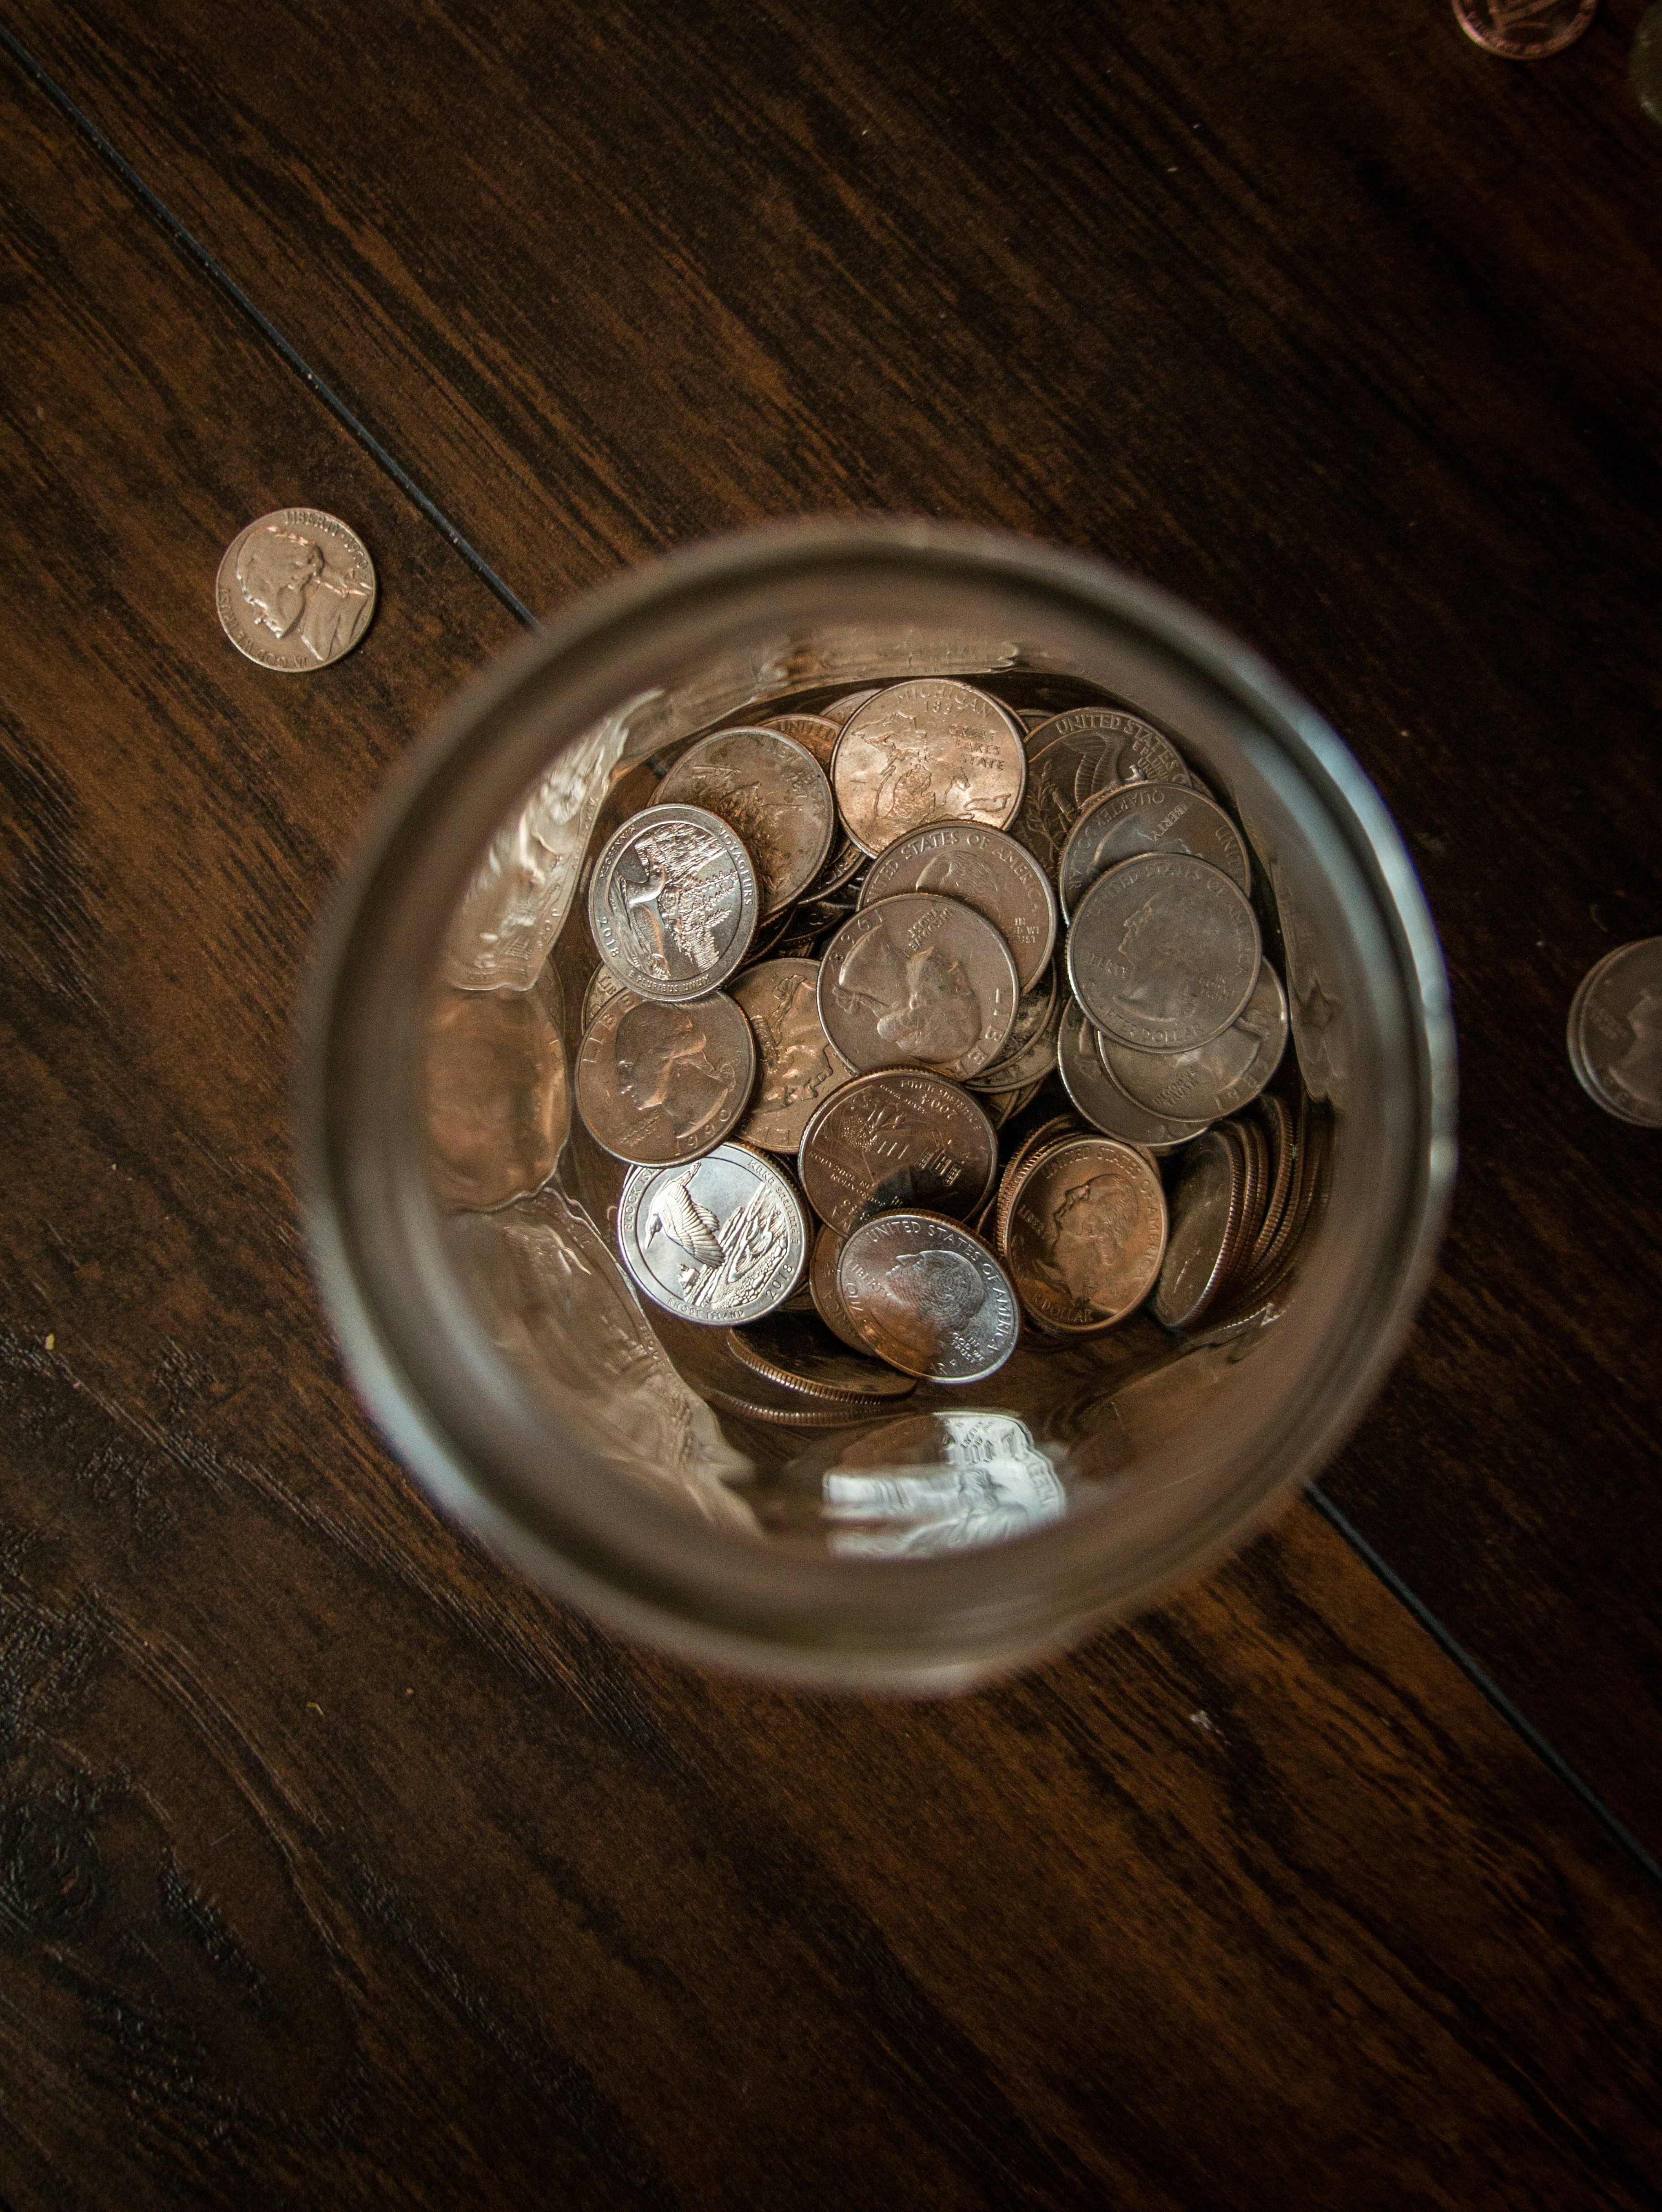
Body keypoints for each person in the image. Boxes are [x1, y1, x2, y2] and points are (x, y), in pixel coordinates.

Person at [235, 523, 372, 663]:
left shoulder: (352, 614)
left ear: (295, 579)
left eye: (257, 601)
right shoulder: (319, 636)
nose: (257, 618)